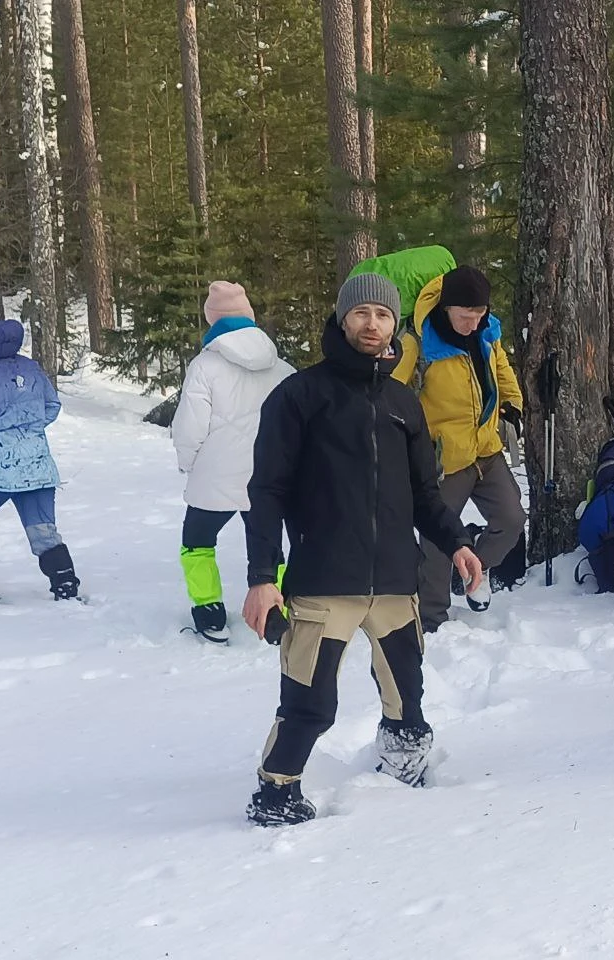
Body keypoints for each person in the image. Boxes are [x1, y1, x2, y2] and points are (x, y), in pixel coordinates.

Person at [241, 272, 483, 827]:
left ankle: (404, 770)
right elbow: (267, 491)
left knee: (408, 695)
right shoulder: (300, 396)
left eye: (382, 314)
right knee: (310, 702)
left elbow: (424, 493)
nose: (372, 324)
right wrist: (262, 575)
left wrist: (458, 541)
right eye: (361, 313)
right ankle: (276, 793)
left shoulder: (402, 403)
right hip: (324, 582)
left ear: (395, 324)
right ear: (342, 318)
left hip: (397, 583)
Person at [393, 265, 525, 633]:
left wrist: (513, 402)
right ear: (447, 308)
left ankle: (472, 570)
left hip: (486, 448)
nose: (473, 323)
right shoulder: (417, 342)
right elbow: (390, 393)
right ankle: (431, 616)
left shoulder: (487, 331)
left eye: (480, 315)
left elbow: (501, 367)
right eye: (466, 317)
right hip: (442, 459)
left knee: (511, 519)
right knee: (437, 540)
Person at [171, 281, 293, 642]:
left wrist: (189, 462)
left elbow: (189, 425)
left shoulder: (205, 365)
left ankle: (208, 610)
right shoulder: (283, 367)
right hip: (270, 474)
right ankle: (278, 607)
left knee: (196, 539)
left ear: (212, 321)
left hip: (217, 473)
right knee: (269, 542)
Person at [0, 288, 79, 603]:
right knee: (44, 534)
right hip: (37, 468)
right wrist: (26, 433)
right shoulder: (27, 366)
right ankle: (66, 588)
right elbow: (51, 406)